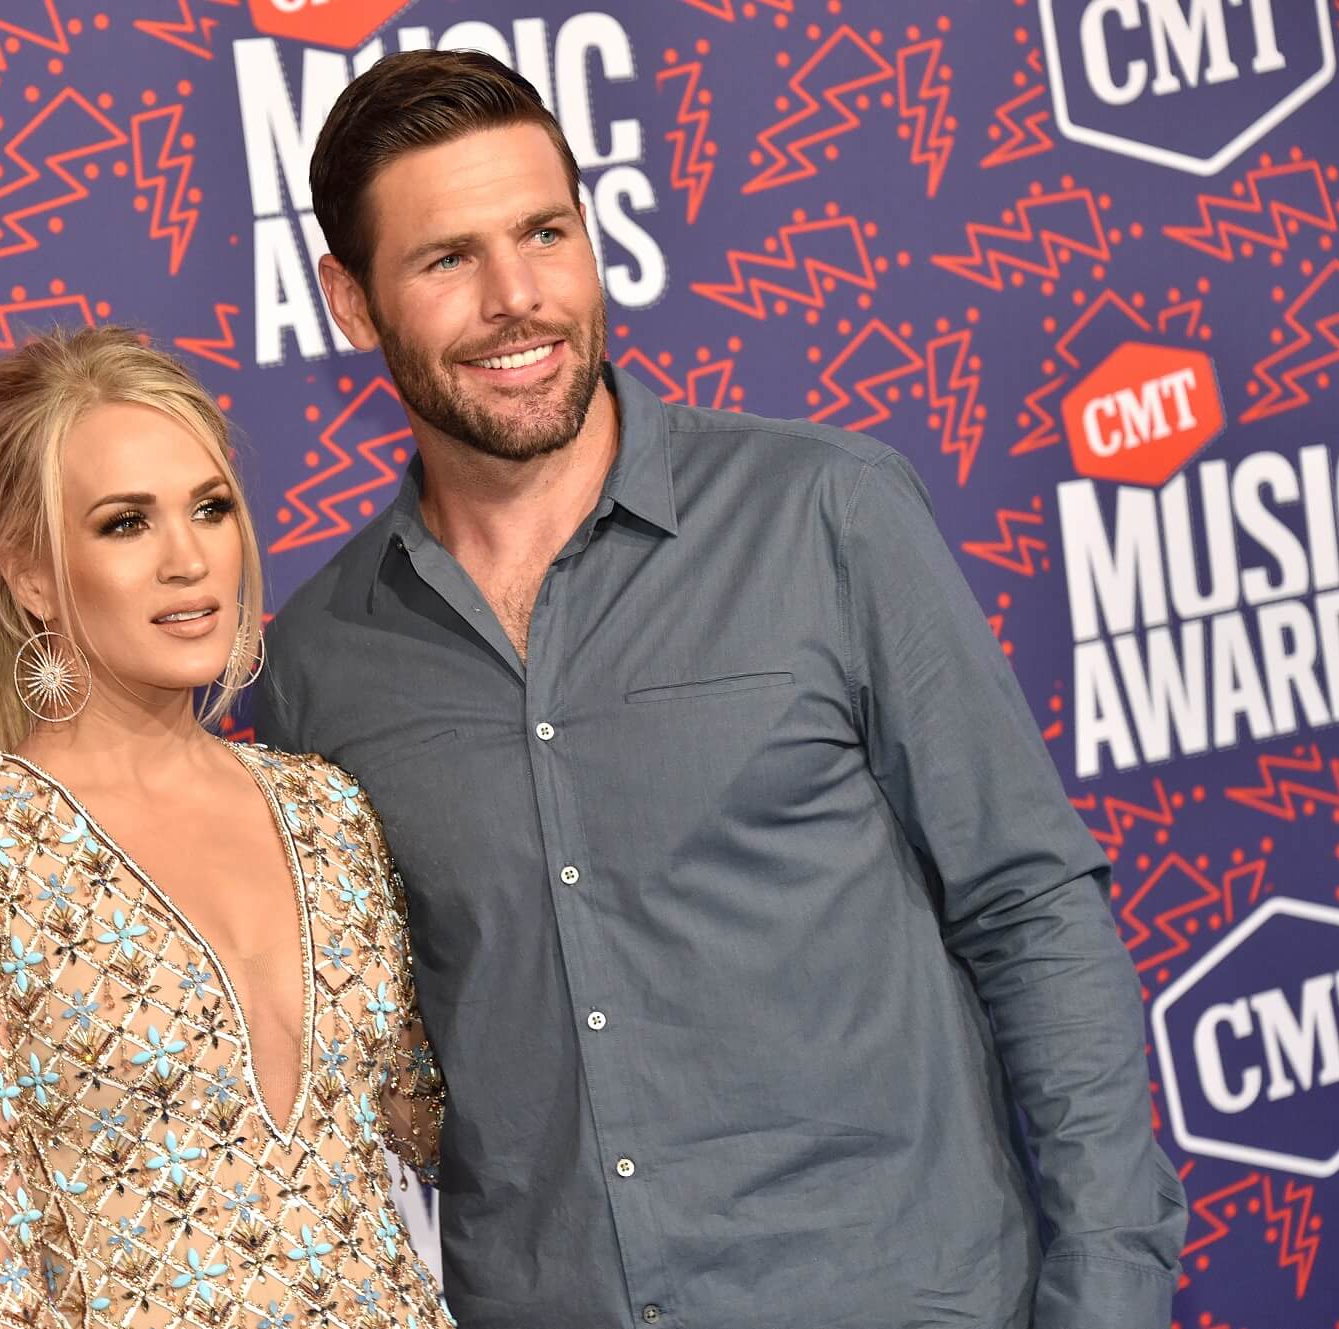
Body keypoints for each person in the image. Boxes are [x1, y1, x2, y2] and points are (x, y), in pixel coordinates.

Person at [258, 49, 1188, 1329]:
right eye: (445, 259)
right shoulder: (315, 665)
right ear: (351, 304)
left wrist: (1110, 1297)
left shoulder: (826, 514)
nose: (517, 299)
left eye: (544, 232)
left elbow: (1029, 911)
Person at [0, 326, 452, 1329]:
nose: (186, 559)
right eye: (125, 524)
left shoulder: (324, 810)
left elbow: (426, 1127)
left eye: (209, 509)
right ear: (31, 575)